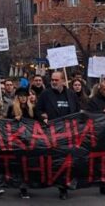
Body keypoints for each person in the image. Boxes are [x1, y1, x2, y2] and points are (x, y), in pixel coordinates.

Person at [35, 71, 78, 200]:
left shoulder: (71, 94)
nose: (53, 82)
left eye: (56, 80)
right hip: (52, 134)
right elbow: (38, 109)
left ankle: (64, 185)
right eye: (52, 80)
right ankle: (60, 185)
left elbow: (77, 110)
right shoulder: (45, 94)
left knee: (68, 160)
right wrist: (43, 116)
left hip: (68, 133)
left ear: (63, 80)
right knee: (57, 161)